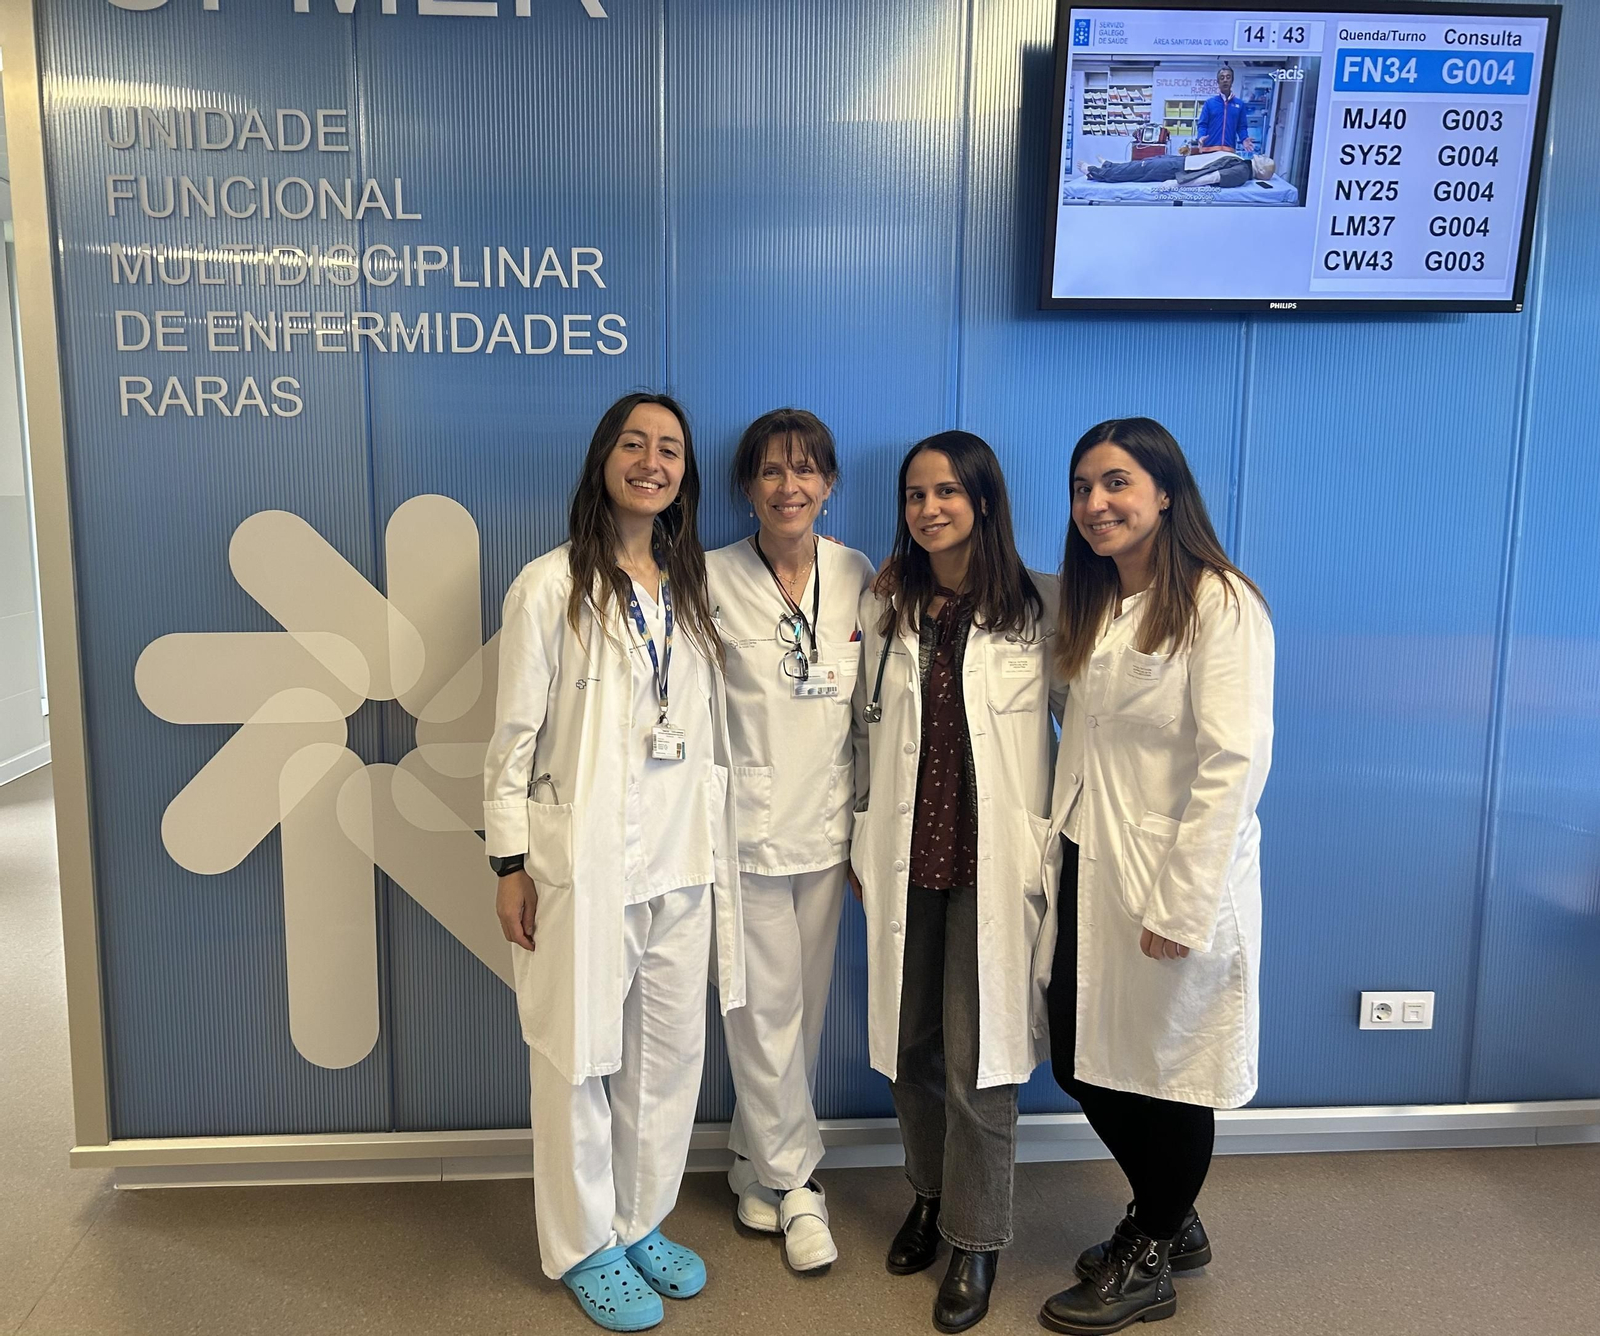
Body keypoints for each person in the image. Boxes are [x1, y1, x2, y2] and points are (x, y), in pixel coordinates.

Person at [484, 392, 746, 1334]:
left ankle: (638, 1222)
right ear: (604, 459)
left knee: (668, 1061)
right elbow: (512, 738)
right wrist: (510, 862)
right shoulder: (548, 586)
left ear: (685, 474)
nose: (652, 460)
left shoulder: (690, 586)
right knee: (576, 1055)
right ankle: (583, 1243)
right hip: (583, 864)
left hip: (682, 857)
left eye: (670, 448)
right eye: (634, 443)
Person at [1034, 417, 1273, 1335]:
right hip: (1090, 859)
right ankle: (1170, 1217)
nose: (1097, 504)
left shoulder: (1220, 603)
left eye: (1118, 483)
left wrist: (1185, 900)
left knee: (1168, 1068)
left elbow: (1233, 763)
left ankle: (1154, 1246)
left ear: (1165, 491)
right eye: (1084, 486)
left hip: (1172, 873)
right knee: (1088, 1058)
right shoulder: (1098, 606)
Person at [852, 431, 1059, 1334]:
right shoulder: (890, 602)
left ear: (983, 498)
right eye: (912, 495)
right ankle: (931, 1196)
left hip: (993, 863)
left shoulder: (1039, 605)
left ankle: (977, 1238)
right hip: (907, 855)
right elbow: (861, 731)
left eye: (945, 492)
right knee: (910, 1048)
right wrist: (859, 835)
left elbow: (1089, 736)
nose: (927, 509)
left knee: (982, 1061)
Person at [706, 408, 876, 1273]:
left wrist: (868, 833)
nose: (789, 486)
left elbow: (873, 715)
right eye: (771, 471)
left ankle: (750, 1164)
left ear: (830, 483)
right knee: (759, 1010)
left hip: (828, 832)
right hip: (737, 838)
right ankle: (800, 1183)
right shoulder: (705, 579)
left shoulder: (858, 576)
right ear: (747, 488)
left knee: (796, 1021)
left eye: (805, 469)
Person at [1076, 152, 1275, 190]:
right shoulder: (1243, 164)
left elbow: (1211, 178)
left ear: (1262, 169)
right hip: (1183, 161)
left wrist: (1177, 184)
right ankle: (1109, 166)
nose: (1264, 156)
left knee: (1141, 169)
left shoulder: (1240, 172)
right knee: (1142, 163)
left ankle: (1095, 172)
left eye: (1266, 160)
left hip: (1180, 169)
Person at [1195, 65, 1255, 153]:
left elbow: (1241, 127)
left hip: (1229, 150)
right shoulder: (1210, 103)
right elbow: (1202, 124)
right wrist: (1200, 137)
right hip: (1209, 149)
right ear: (1218, 82)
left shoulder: (1239, 104)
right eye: (1222, 78)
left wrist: (1244, 138)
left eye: (1228, 77)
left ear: (1232, 81)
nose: (1225, 80)